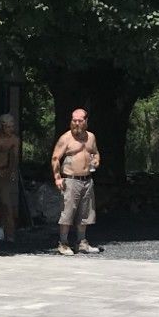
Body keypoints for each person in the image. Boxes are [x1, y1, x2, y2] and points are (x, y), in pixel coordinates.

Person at [51, 109, 101, 255]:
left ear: (86, 121)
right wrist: (57, 177)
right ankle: (63, 243)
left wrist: (97, 160)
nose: (76, 123)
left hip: (86, 179)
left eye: (79, 121)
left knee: (85, 213)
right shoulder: (66, 138)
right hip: (70, 180)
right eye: (74, 120)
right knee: (67, 213)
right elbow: (55, 158)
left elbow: (96, 152)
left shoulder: (91, 137)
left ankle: (82, 242)